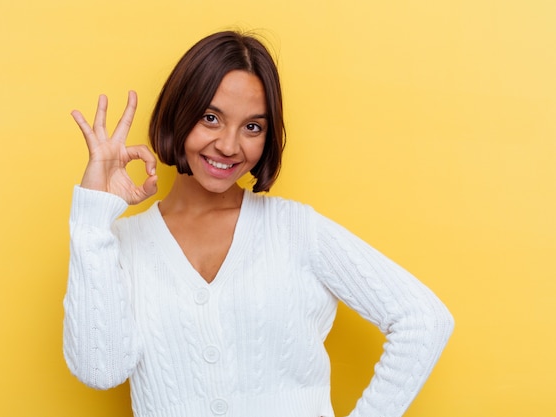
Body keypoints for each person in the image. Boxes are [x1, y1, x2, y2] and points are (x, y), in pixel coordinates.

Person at [63, 30, 454, 417]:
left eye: (253, 127)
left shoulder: (295, 230)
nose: (230, 146)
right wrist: (94, 216)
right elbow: (100, 371)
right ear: (178, 113)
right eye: (211, 118)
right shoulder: (118, 245)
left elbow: (424, 320)